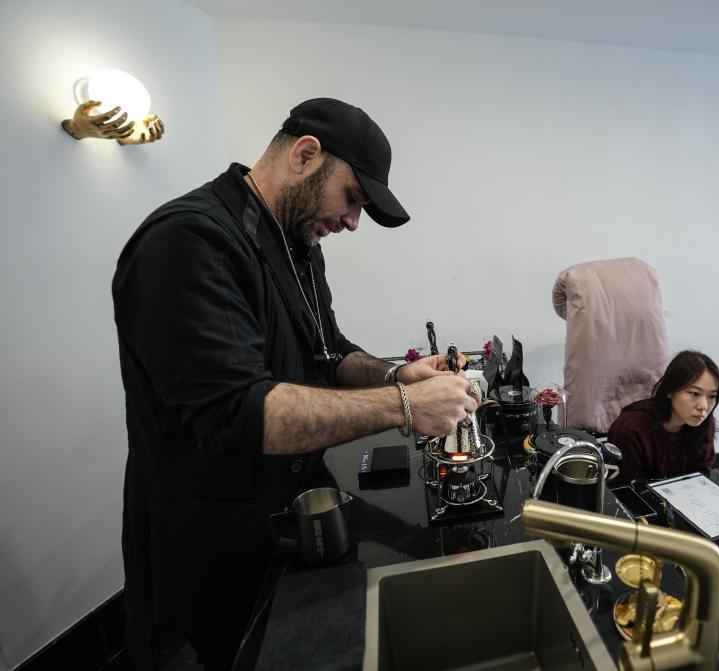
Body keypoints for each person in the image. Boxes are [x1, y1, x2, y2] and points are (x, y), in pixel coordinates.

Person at [112, 98, 478, 670]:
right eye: (352, 198)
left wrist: (395, 373)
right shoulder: (188, 241)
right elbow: (239, 412)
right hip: (214, 550)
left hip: (293, 519)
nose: (352, 222)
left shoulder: (297, 244)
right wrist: (405, 405)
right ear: (306, 155)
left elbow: (328, 352)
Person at [607, 350, 719, 484]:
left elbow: (700, 478)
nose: (704, 406)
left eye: (712, 396)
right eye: (694, 393)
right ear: (670, 390)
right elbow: (627, 488)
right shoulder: (631, 428)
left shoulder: (703, 423)